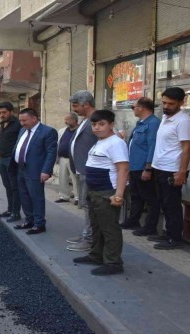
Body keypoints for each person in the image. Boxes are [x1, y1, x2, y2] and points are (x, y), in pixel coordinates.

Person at [72, 110, 129, 276]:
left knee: (109, 228)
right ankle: (96, 255)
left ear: (111, 125)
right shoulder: (100, 142)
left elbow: (123, 168)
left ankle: (113, 262)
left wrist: (118, 195)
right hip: (94, 191)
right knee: (96, 226)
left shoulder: (116, 143)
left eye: (101, 124)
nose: (97, 128)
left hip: (107, 192)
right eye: (94, 124)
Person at [149, 87, 190, 250]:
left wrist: (181, 171)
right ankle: (167, 233)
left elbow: (187, 148)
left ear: (182, 102)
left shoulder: (184, 121)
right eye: (164, 103)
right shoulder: (165, 118)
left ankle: (175, 238)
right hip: (160, 167)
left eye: (171, 103)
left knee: (172, 204)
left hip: (173, 169)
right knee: (163, 203)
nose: (166, 106)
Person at [12, 108, 58, 235]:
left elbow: (51, 152)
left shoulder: (48, 131)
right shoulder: (23, 130)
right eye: (20, 120)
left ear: (34, 118)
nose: (22, 123)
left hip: (36, 170)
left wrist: (46, 170)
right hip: (21, 168)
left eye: (24, 120)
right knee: (24, 196)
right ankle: (29, 220)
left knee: (36, 197)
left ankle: (39, 224)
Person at [121, 97, 161, 234]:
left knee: (149, 198)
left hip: (143, 167)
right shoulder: (141, 123)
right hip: (134, 166)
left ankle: (150, 227)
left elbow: (152, 146)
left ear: (141, 108)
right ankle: (133, 220)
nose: (133, 109)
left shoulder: (153, 123)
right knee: (136, 196)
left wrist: (148, 168)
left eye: (134, 107)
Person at [66, 90, 98, 252]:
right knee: (85, 204)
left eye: (76, 105)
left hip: (89, 170)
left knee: (88, 205)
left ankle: (90, 238)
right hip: (81, 169)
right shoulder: (85, 120)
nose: (74, 109)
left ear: (86, 104)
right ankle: (87, 234)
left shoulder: (97, 120)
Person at [0, 102, 22, 222]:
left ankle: (16, 213)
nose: (2, 115)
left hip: (12, 160)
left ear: (11, 112)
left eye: (4, 112)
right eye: (0, 113)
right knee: (7, 186)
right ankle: (10, 209)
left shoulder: (18, 125)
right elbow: (4, 141)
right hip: (2, 159)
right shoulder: (3, 124)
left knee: (14, 187)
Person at [55, 112, 79, 205]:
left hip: (74, 159)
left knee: (75, 179)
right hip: (63, 158)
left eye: (68, 119)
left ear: (74, 120)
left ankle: (78, 197)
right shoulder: (62, 131)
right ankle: (64, 196)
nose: (65, 121)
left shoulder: (79, 130)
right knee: (63, 178)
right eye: (65, 119)